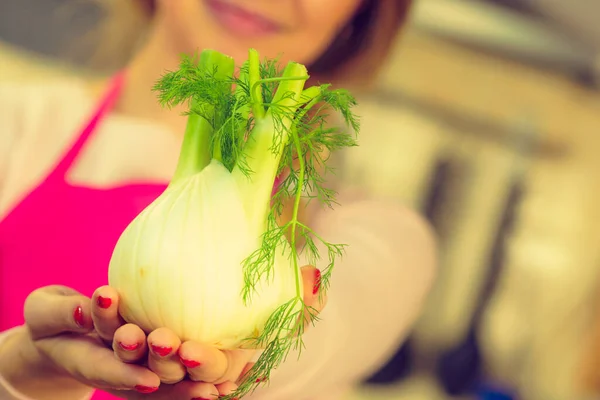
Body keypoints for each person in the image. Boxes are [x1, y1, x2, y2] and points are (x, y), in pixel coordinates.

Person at [0, 0, 437, 399]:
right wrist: (18, 372)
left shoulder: (381, 237)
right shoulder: (13, 128)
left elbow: (317, 343)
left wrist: (240, 360)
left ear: (365, 13)